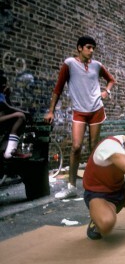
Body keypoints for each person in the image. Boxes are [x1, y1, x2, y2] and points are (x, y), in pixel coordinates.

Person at [44, 36, 116, 199]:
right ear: (79, 48)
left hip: (96, 109)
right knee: (76, 147)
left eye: (93, 48)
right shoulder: (69, 64)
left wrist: (106, 91)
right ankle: (71, 187)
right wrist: (51, 111)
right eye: (88, 47)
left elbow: (111, 80)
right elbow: (58, 88)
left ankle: (95, 184)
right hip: (79, 111)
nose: (91, 51)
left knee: (94, 148)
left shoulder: (97, 66)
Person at [0, 71, 29, 158]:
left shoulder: (2, 95)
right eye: (3, 84)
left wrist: (7, 96)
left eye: (5, 84)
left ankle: (6, 149)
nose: (5, 86)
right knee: (20, 116)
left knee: (17, 120)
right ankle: (10, 152)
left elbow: (8, 108)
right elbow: (8, 107)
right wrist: (25, 112)